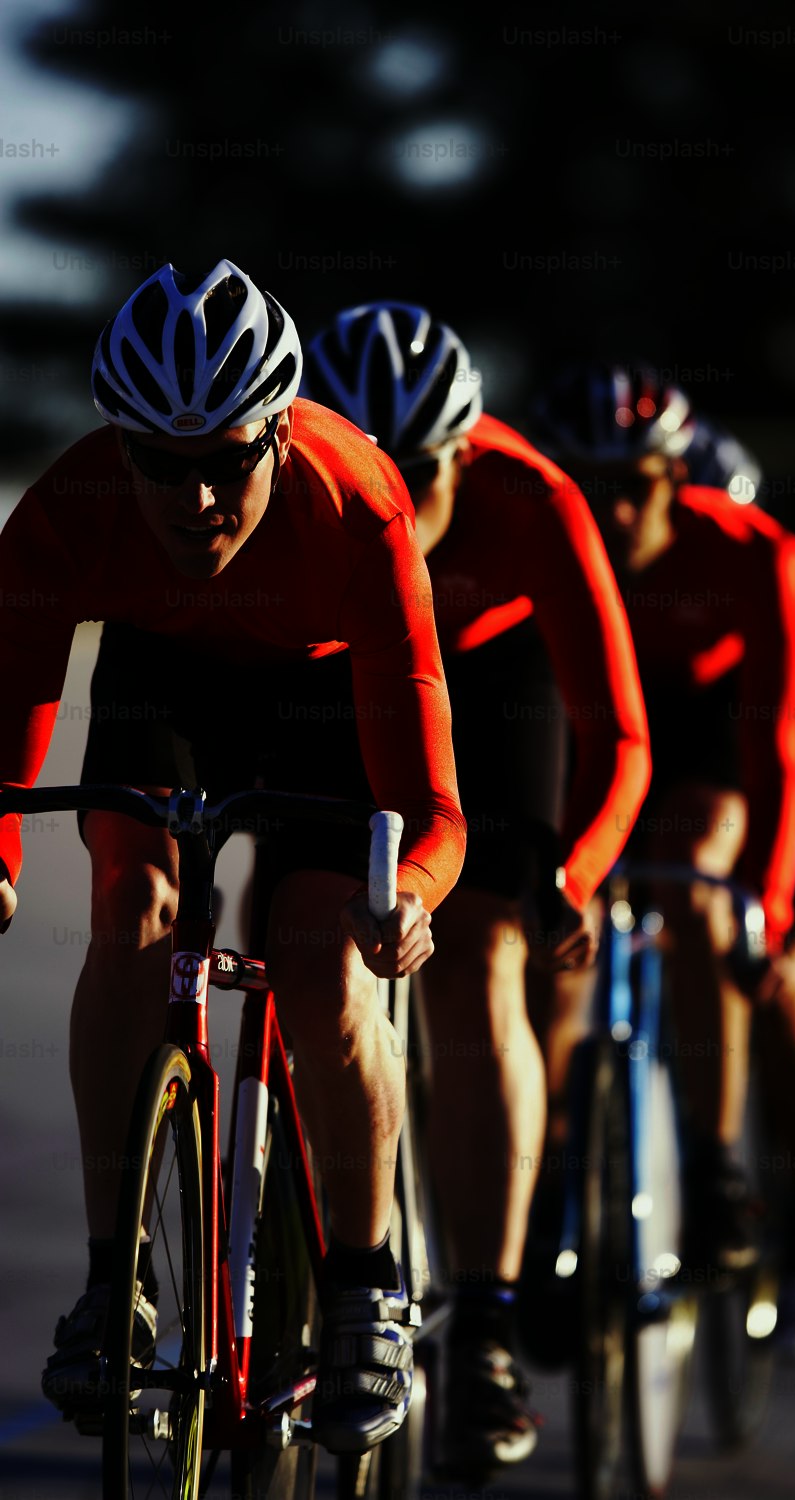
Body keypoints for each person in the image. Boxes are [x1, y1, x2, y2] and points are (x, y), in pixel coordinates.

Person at [0, 260, 467, 1453]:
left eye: (228, 460)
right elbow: (2, 730)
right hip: (164, 681)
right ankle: (116, 1279)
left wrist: (405, 898)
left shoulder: (357, 503)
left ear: (278, 435)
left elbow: (432, 807)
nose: (195, 496)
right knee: (133, 905)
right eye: (160, 463)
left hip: (320, 700)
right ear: (119, 448)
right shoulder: (63, 510)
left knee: (321, 965)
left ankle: (365, 1289)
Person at [300, 304, 651, 1476]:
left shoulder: (532, 497)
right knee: (295, 927)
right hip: (351, 668)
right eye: (373, 473)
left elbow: (622, 733)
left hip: (494, 687)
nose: (395, 500)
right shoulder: (307, 484)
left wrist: (577, 869)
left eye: (420, 476)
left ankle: (486, 1326)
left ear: (466, 451)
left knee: (482, 965)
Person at [529, 360, 795, 1357]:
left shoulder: (764, 560)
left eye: (635, 483)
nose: (614, 511)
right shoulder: (552, 551)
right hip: (594, 734)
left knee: (732, 935)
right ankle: (550, 1184)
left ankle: (764, 1192)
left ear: (676, 476)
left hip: (708, 748)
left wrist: (788, 892)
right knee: (553, 946)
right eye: (587, 488)